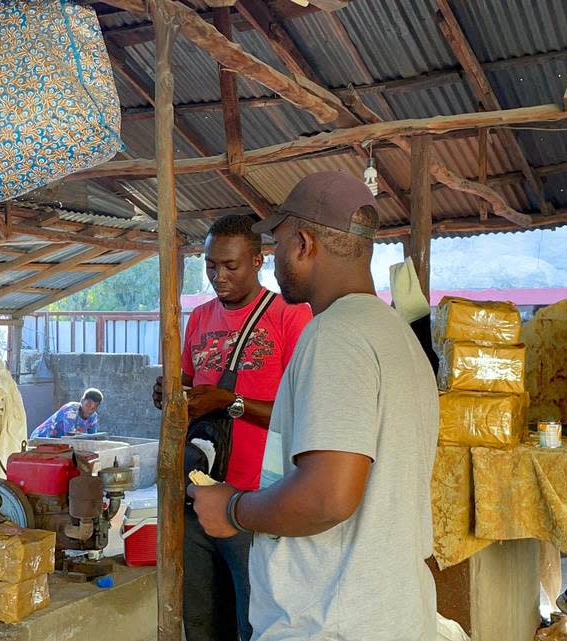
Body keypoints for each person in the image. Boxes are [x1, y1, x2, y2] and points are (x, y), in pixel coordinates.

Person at [188, 172, 467, 641]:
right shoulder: (397, 334)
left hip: (331, 617)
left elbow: (327, 496)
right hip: (387, 608)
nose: (274, 261)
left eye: (275, 245)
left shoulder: (334, 336)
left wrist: (234, 508)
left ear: (302, 244)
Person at [153, 214, 311, 641]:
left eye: (230, 266)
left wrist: (231, 402)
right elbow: (187, 389)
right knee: (201, 619)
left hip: (257, 500)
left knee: (256, 622)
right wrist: (170, 397)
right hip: (197, 495)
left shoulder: (290, 317)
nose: (218, 276)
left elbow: (302, 409)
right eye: (210, 266)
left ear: (258, 260)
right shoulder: (199, 319)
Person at [31, 388, 104, 438]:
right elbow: (69, 436)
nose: (89, 410)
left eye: (93, 408)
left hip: (59, 444)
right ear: (82, 401)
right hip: (42, 438)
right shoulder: (71, 410)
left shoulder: (93, 417)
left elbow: (93, 437)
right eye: (87, 405)